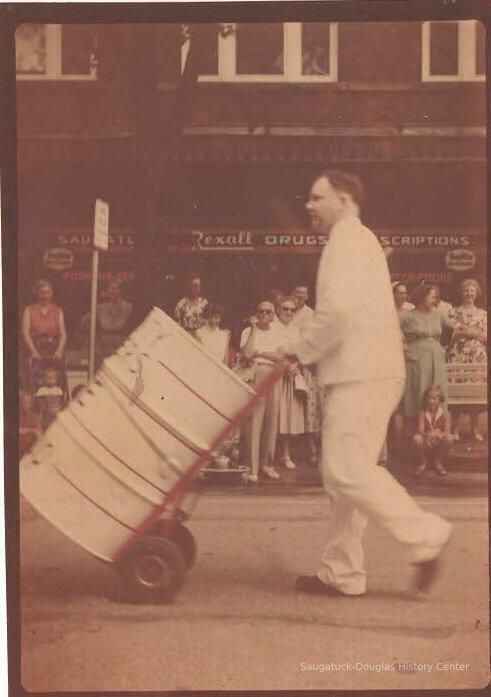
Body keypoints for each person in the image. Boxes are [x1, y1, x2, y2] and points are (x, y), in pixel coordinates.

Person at [281, 170, 452, 597]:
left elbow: (335, 313)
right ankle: (342, 572)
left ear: (343, 200)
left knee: (344, 470)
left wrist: (297, 348)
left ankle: (425, 535)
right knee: (348, 476)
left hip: (361, 373)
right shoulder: (361, 240)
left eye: (316, 197)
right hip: (370, 370)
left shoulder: (344, 243)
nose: (308, 205)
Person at [400, 284, 455, 431]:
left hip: (435, 356)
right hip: (416, 358)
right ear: (421, 297)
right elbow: (392, 330)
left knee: (435, 388)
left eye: (435, 297)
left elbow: (454, 326)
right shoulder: (408, 315)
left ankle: (436, 426)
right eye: (431, 297)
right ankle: (413, 428)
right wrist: (403, 345)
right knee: (418, 389)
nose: (434, 300)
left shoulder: (438, 313)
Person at [240, 301, 283, 482]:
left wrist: (260, 352)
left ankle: (267, 464)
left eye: (268, 312)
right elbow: (247, 354)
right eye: (261, 311)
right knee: (254, 422)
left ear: (273, 315)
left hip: (273, 373)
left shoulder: (279, 332)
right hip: (256, 373)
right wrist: (253, 329)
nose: (264, 314)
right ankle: (252, 469)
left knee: (271, 421)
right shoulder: (248, 332)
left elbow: (280, 356)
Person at [447, 278, 487, 441]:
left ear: (476, 293)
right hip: (458, 356)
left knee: (475, 392)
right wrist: (471, 333)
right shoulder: (453, 312)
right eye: (466, 290)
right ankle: (455, 428)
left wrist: (465, 332)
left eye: (472, 290)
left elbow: (485, 336)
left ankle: (474, 428)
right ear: (461, 293)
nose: (469, 293)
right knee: (457, 392)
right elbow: (452, 335)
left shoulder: (483, 313)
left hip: (477, 356)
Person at [292, 284, 321, 464]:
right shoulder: (289, 313)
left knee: (317, 409)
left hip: (313, 366)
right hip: (296, 365)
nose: (300, 296)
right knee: (305, 411)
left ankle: (318, 451)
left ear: (308, 296)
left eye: (303, 293)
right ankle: (311, 449)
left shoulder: (311, 314)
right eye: (298, 293)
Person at [276, 297, 305, 470]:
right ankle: (269, 454)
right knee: (275, 415)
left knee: (287, 415)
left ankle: (285, 454)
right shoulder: (274, 328)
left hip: (292, 375)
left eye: (291, 310)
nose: (288, 312)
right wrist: (285, 365)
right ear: (279, 311)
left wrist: (296, 365)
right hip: (277, 374)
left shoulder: (296, 330)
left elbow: (302, 351)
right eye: (285, 309)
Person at [412, 386, 455, 478]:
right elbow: (420, 430)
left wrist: (438, 434)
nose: (431, 401)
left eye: (434, 398)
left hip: (439, 442)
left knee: (450, 438)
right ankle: (423, 462)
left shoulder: (446, 413)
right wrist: (428, 435)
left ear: (440, 400)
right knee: (416, 438)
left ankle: (438, 462)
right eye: (429, 398)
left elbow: (447, 430)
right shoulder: (422, 413)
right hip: (426, 442)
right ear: (426, 399)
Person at [22, 279, 67, 361]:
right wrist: (33, 351)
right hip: (35, 349)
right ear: (37, 294)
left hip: (54, 349)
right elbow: (25, 333)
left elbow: (63, 334)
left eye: (48, 292)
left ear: (52, 293)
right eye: (42, 292)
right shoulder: (29, 310)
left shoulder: (58, 311)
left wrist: (59, 351)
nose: (45, 296)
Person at [93, 280, 133, 365]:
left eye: (114, 288)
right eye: (109, 289)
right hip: (103, 348)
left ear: (121, 291)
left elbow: (119, 326)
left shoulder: (128, 307)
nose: (111, 291)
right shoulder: (101, 308)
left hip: (121, 349)